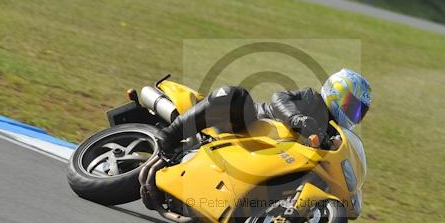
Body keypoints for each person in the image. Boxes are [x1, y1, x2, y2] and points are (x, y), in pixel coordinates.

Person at [158, 69, 371, 153]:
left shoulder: (335, 133)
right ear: (337, 93)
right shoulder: (312, 98)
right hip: (253, 124)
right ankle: (172, 133)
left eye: (359, 111)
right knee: (236, 95)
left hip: (271, 154)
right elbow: (279, 98)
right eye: (352, 106)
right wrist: (296, 118)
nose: (354, 114)